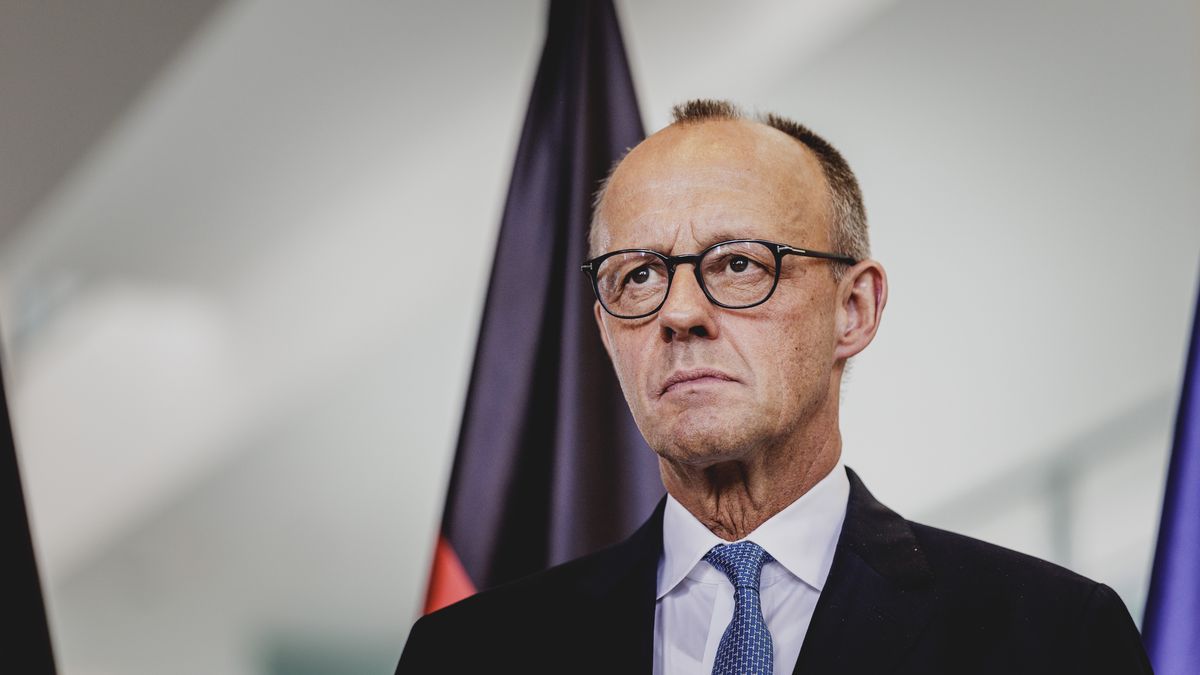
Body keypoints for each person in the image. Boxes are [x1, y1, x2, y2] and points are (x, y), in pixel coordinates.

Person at [396, 100, 1152, 674]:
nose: (680, 313)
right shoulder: (468, 652)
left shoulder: (1052, 635)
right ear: (605, 330)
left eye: (736, 264)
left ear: (853, 309)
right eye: (639, 275)